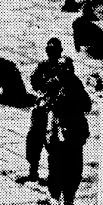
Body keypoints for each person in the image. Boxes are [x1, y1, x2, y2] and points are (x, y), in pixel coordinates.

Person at [17, 38, 74, 186]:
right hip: (42, 109)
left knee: (54, 145)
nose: (51, 53)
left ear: (60, 51)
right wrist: (43, 91)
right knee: (33, 140)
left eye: (54, 50)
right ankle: (33, 172)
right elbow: (34, 80)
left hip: (57, 111)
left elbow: (67, 83)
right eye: (49, 50)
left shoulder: (65, 65)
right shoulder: (43, 65)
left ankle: (53, 175)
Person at [43, 52, 92, 205]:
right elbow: (48, 109)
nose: (67, 71)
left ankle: (69, 204)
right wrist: (50, 132)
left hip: (75, 134)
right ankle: (55, 203)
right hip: (59, 136)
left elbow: (87, 105)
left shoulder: (76, 84)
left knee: (75, 171)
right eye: (63, 68)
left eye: (69, 68)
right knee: (57, 170)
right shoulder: (53, 85)